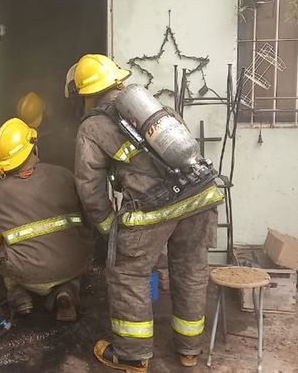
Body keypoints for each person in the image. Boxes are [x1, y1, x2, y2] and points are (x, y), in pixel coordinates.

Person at [68, 54, 224, 372]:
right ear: (118, 81)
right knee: (191, 270)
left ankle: (132, 354)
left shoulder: (92, 127)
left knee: (127, 275)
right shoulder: (158, 109)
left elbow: (89, 187)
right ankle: (189, 350)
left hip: (153, 208)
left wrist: (107, 226)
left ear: (86, 94)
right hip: (201, 196)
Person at [0, 117, 94, 321]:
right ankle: (67, 292)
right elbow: (87, 215)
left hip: (27, 273)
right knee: (75, 251)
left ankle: (19, 295)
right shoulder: (64, 175)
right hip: (70, 265)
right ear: (33, 147)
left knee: (0, 247)